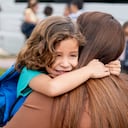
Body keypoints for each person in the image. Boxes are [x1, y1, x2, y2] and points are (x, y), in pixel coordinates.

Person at [4, 13, 125, 128]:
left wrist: (107, 66)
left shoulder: (59, 72)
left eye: (73, 55)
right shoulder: (30, 73)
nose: (65, 64)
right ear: (39, 52)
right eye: (57, 55)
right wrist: (88, 70)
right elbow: (52, 87)